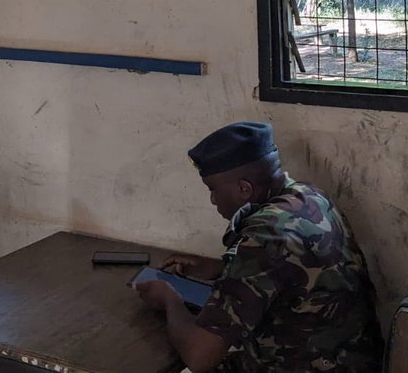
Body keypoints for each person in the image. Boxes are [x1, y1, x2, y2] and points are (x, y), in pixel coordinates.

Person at [134, 121, 383, 373]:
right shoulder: (310, 197)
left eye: (212, 190)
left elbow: (200, 356)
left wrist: (170, 301)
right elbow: (290, 269)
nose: (212, 200)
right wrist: (223, 268)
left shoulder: (263, 237)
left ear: (244, 189)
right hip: (351, 358)